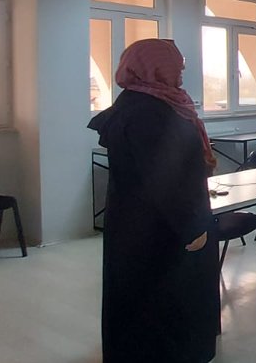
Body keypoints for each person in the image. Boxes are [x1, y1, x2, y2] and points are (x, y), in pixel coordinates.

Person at [86, 39, 219, 363]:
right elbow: (164, 180)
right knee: (159, 304)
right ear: (154, 67)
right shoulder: (149, 112)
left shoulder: (145, 103)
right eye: (177, 66)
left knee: (144, 301)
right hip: (158, 231)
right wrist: (191, 225)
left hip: (144, 226)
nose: (182, 73)